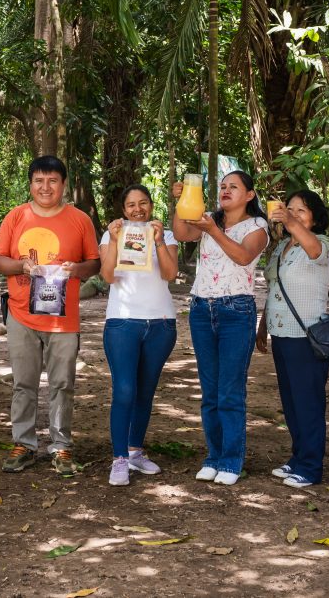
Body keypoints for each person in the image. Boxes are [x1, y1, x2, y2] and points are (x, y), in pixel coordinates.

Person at [0, 156, 100, 477]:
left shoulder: (79, 220)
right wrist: (21, 266)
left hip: (63, 318)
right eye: (39, 180)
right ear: (30, 184)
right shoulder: (16, 217)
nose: (45, 187)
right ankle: (23, 443)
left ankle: (61, 445)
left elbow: (93, 262)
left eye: (53, 180)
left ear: (64, 184)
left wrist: (76, 269)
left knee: (63, 383)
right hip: (21, 313)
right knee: (23, 384)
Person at [172, 170, 268, 486]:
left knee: (230, 391)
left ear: (250, 195)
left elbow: (242, 256)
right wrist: (179, 204)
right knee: (209, 391)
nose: (225, 190)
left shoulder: (258, 227)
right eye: (223, 186)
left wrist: (213, 230)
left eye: (234, 187)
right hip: (201, 308)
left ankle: (231, 460)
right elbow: (182, 235)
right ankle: (213, 457)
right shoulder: (208, 218)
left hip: (236, 311)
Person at [99, 184, 179, 486]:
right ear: (123, 209)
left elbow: (169, 274)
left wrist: (158, 240)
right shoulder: (111, 235)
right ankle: (119, 458)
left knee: (145, 391)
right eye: (131, 204)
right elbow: (108, 275)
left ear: (150, 205)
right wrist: (117, 240)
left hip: (160, 323)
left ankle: (135, 451)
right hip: (122, 322)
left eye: (143, 203)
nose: (137, 209)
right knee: (124, 390)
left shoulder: (166, 235)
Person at [256, 189, 329, 489]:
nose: (293, 214)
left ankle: (312, 467)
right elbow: (275, 290)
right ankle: (298, 458)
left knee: (308, 403)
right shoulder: (280, 248)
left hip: (307, 336)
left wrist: (291, 222)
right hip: (281, 333)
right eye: (289, 209)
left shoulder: (321, 244)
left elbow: (313, 249)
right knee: (290, 402)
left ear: (314, 218)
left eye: (301, 210)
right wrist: (263, 327)